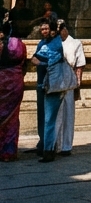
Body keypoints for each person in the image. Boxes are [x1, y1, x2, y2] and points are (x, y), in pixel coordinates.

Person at [31, 16, 64, 162]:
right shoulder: (42, 43)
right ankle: (43, 144)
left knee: (49, 119)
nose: (44, 31)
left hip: (52, 85)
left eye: (46, 28)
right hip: (42, 84)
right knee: (42, 117)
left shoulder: (56, 43)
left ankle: (49, 150)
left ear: (52, 30)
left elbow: (37, 59)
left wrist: (40, 62)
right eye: (42, 28)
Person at [53, 20, 85, 156]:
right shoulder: (54, 42)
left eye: (61, 29)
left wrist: (78, 84)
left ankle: (66, 145)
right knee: (55, 112)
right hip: (55, 79)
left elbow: (79, 65)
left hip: (69, 78)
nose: (59, 33)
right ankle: (55, 144)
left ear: (65, 29)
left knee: (68, 112)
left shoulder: (75, 43)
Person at [0, 21, 27, 161]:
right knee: (12, 118)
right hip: (16, 82)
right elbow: (24, 63)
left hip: (1, 81)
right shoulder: (19, 44)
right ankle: (9, 152)